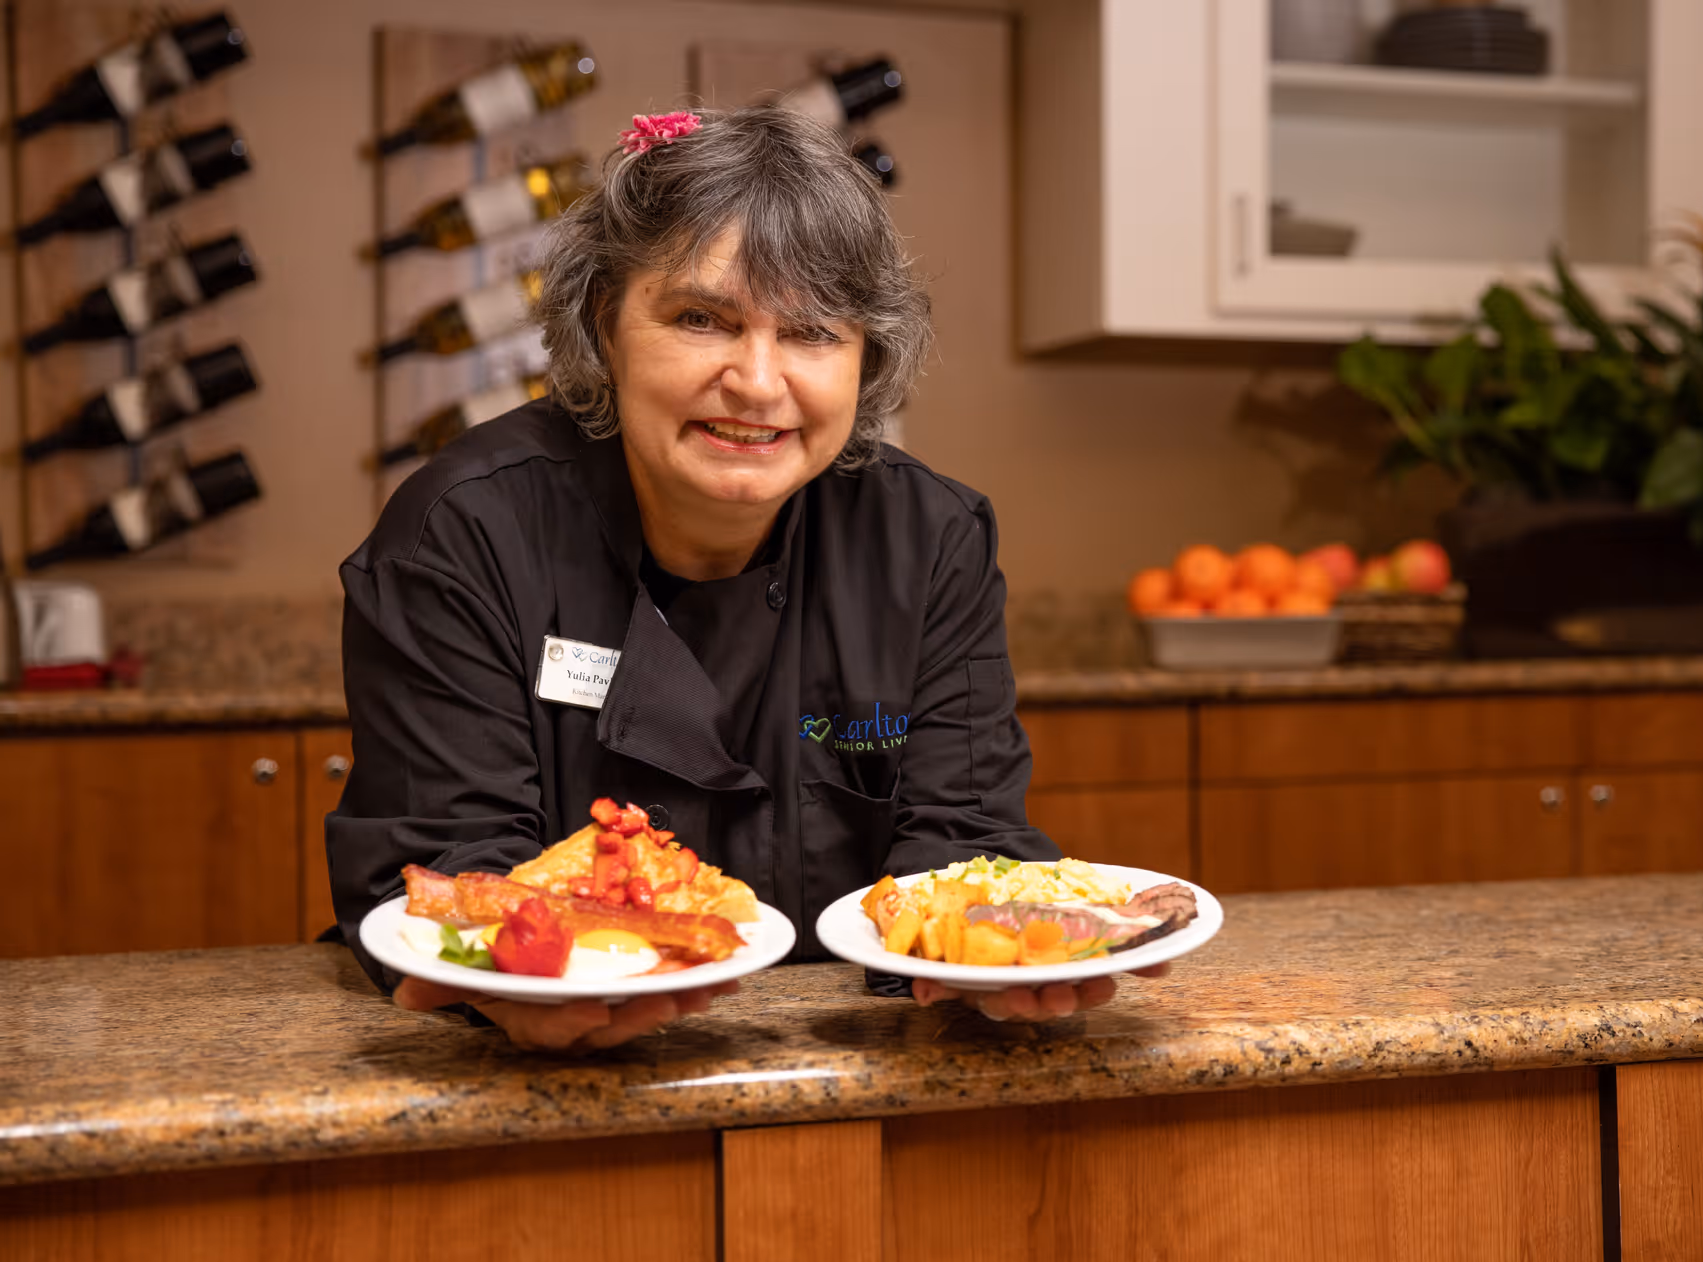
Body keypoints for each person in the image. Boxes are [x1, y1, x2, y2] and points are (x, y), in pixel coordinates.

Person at [327, 106, 1163, 1050]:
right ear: (606, 325)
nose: (759, 382)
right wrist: (525, 983)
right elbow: (449, 869)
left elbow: (963, 847)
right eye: (701, 319)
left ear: (865, 357)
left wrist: (991, 966)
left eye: (811, 332)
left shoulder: (929, 537)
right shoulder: (466, 529)